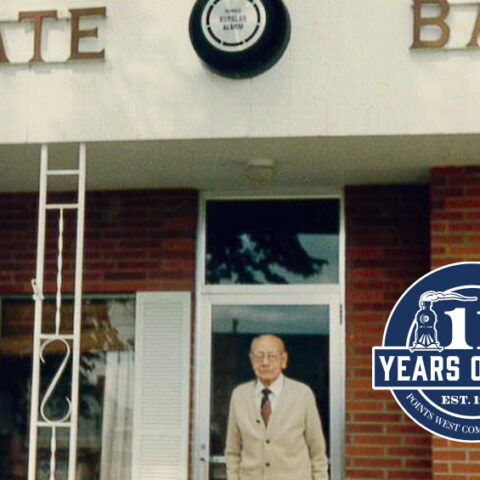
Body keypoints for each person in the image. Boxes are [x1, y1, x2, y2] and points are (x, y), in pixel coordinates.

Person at [225, 334, 329, 480]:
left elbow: (317, 452)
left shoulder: (302, 394)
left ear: (284, 360)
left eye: (272, 356)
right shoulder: (239, 396)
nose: (265, 362)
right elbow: (233, 452)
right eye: (259, 356)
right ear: (251, 360)